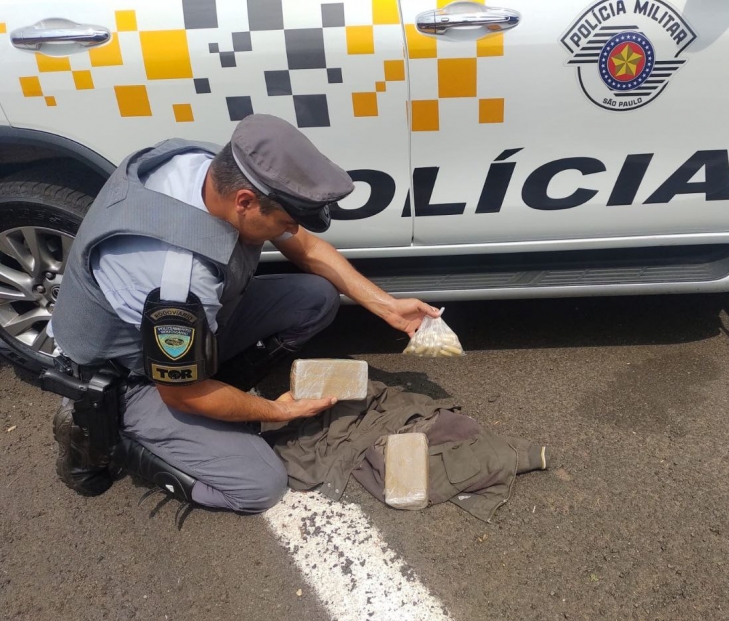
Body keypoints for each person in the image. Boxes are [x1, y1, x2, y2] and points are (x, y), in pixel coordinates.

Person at [48, 113, 440, 514]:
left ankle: (218, 392)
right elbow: (182, 393)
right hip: (129, 375)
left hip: (185, 331)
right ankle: (105, 436)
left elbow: (307, 248)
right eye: (283, 222)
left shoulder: (211, 167)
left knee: (316, 298)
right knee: (259, 486)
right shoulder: (177, 282)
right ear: (245, 202)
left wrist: (388, 306)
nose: (288, 231)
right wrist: (279, 410)